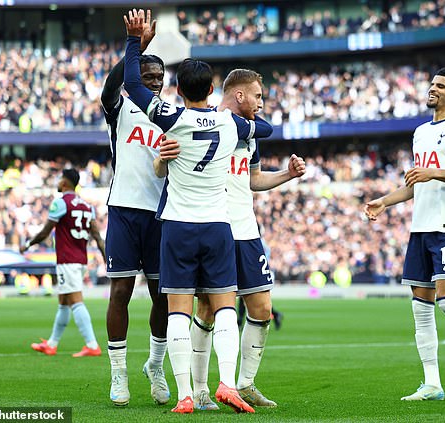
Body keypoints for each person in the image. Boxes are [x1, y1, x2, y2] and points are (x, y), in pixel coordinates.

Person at [123, 9, 273, 414]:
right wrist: (243, 118)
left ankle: (187, 394)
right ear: (211, 87)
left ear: (177, 88)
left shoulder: (171, 117)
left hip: (178, 227)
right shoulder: (230, 125)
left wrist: (133, 43)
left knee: (179, 310)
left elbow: (133, 84)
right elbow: (266, 129)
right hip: (218, 226)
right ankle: (228, 383)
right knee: (226, 306)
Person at [364, 67, 445, 401]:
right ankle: (432, 383)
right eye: (432, 84)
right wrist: (385, 201)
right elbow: (415, 185)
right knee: (421, 309)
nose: (432, 89)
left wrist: (433, 171)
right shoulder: (421, 132)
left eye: (441, 86)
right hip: (419, 229)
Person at [185, 69, 305, 410]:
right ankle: (200, 389)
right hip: (214, 227)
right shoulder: (205, 124)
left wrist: (287, 175)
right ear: (239, 95)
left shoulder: (250, 135)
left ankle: (246, 383)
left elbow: (252, 180)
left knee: (262, 309)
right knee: (207, 308)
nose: (261, 103)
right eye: (258, 97)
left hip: (247, 230)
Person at [100, 9, 170, 407]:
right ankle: (119, 374)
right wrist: (135, 47)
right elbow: (110, 87)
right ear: (135, 79)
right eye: (147, 76)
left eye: (159, 78)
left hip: (161, 213)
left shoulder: (171, 115)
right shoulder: (120, 108)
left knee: (163, 295)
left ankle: (155, 367)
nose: (155, 82)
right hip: (125, 209)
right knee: (121, 291)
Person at [21, 168, 106, 358]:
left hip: (68, 260)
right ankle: (52, 344)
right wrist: (106, 257)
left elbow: (45, 232)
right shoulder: (87, 206)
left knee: (75, 301)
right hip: (80, 258)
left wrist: (27, 245)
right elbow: (98, 237)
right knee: (64, 303)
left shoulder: (60, 203)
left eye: (60, 179)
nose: (58, 182)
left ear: (65, 182)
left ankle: (92, 345)